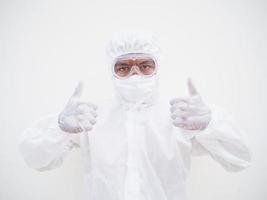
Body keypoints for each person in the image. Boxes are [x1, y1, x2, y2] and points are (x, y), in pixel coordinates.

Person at [18, 31, 252, 200]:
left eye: (145, 65)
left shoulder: (182, 116)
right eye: (123, 67)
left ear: (157, 67)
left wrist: (211, 123)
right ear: (112, 71)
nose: (135, 74)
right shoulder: (90, 119)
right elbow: (35, 158)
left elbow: (240, 159)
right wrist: (59, 127)